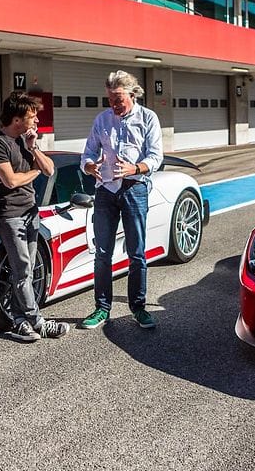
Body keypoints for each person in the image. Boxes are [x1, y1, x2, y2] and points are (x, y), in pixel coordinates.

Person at [78, 70, 163, 330]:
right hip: (105, 191)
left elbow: (156, 157)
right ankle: (101, 308)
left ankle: (138, 307)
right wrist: (90, 166)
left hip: (134, 189)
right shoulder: (102, 120)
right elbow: (88, 153)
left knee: (136, 253)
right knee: (102, 253)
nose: (113, 104)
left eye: (118, 99)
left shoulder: (148, 118)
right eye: (110, 99)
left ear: (133, 94)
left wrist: (134, 169)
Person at [0, 91, 70, 341]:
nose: (35, 121)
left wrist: (34, 148)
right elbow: (10, 181)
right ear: (17, 119)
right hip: (8, 214)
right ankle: (37, 321)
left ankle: (20, 321)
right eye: (32, 116)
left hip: (30, 211)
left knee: (28, 268)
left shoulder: (24, 141)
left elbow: (50, 169)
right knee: (21, 268)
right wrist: (34, 172)